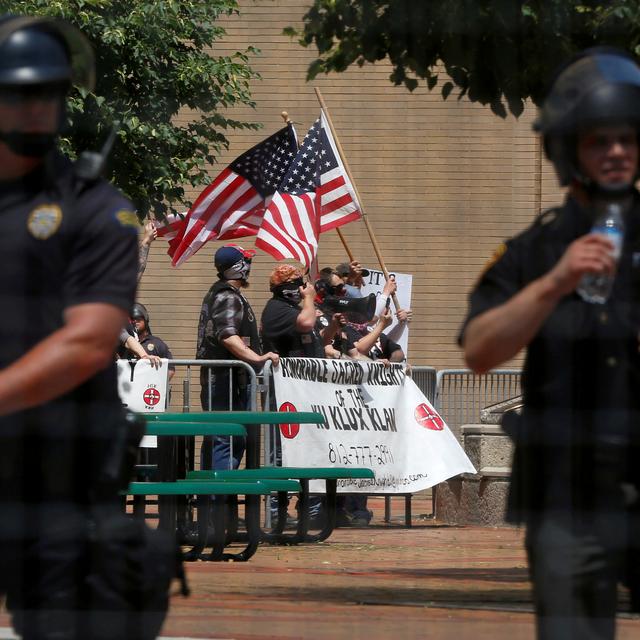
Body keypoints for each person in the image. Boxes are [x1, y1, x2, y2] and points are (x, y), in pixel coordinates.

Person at [460, 47, 640, 639]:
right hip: (567, 486)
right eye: (598, 141)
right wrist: (554, 283)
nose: (615, 152)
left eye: (627, 139)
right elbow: (479, 351)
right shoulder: (534, 250)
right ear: (569, 151)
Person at [0, 14, 168, 639]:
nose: (36, 107)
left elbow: (88, 341)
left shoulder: (98, 208)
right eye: (19, 92)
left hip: (57, 474)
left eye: (49, 92)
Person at [196, 244, 279, 470]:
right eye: (246, 261)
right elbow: (227, 336)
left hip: (227, 380)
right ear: (237, 267)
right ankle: (218, 501)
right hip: (225, 381)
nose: (249, 266)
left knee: (223, 437)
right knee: (227, 438)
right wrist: (258, 359)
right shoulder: (227, 297)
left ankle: (212, 502)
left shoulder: (226, 294)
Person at [261, 264, 326, 526]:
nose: (303, 288)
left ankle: (310, 510)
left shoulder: (292, 309)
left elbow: (315, 337)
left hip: (305, 393)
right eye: (298, 284)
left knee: (311, 450)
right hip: (286, 395)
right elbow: (305, 323)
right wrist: (309, 299)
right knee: (282, 451)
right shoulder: (276, 309)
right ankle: (277, 510)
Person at [131, 302, 175, 380]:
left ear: (145, 319)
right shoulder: (124, 344)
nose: (135, 322)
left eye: (138, 319)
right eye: (132, 319)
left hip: (149, 389)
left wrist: (158, 386)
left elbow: (171, 369)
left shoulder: (157, 343)